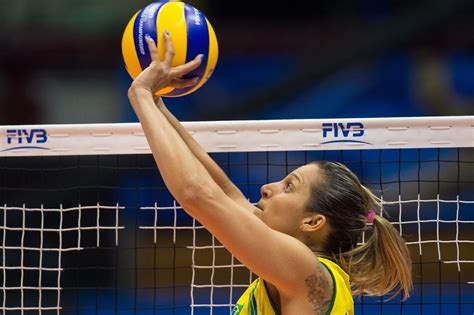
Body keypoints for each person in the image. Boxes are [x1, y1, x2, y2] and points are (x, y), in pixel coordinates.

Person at [127, 32, 413, 315]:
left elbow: (198, 194)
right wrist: (157, 101)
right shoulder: (299, 268)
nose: (267, 187)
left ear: (312, 222)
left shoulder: (306, 269)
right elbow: (224, 191)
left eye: (289, 187)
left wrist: (139, 95)